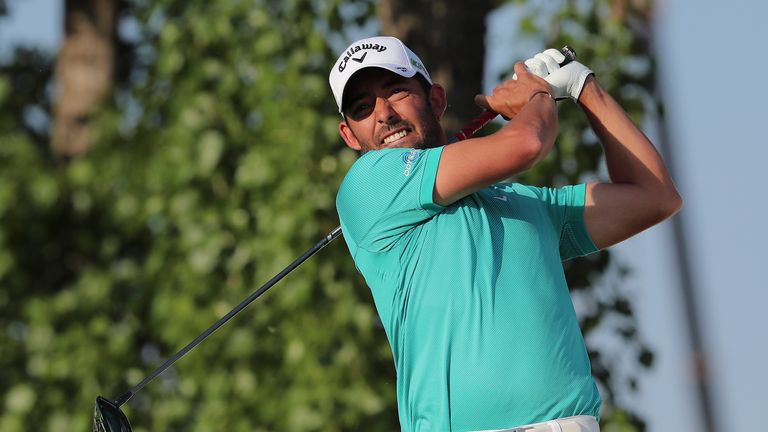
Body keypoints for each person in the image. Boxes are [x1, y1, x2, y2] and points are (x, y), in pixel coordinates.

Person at [329, 36, 681, 432]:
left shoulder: (523, 202)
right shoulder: (368, 185)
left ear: (436, 100)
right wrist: (536, 98)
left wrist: (586, 88)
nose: (383, 114)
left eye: (396, 91)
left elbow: (655, 197)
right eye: (363, 108)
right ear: (349, 135)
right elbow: (528, 142)